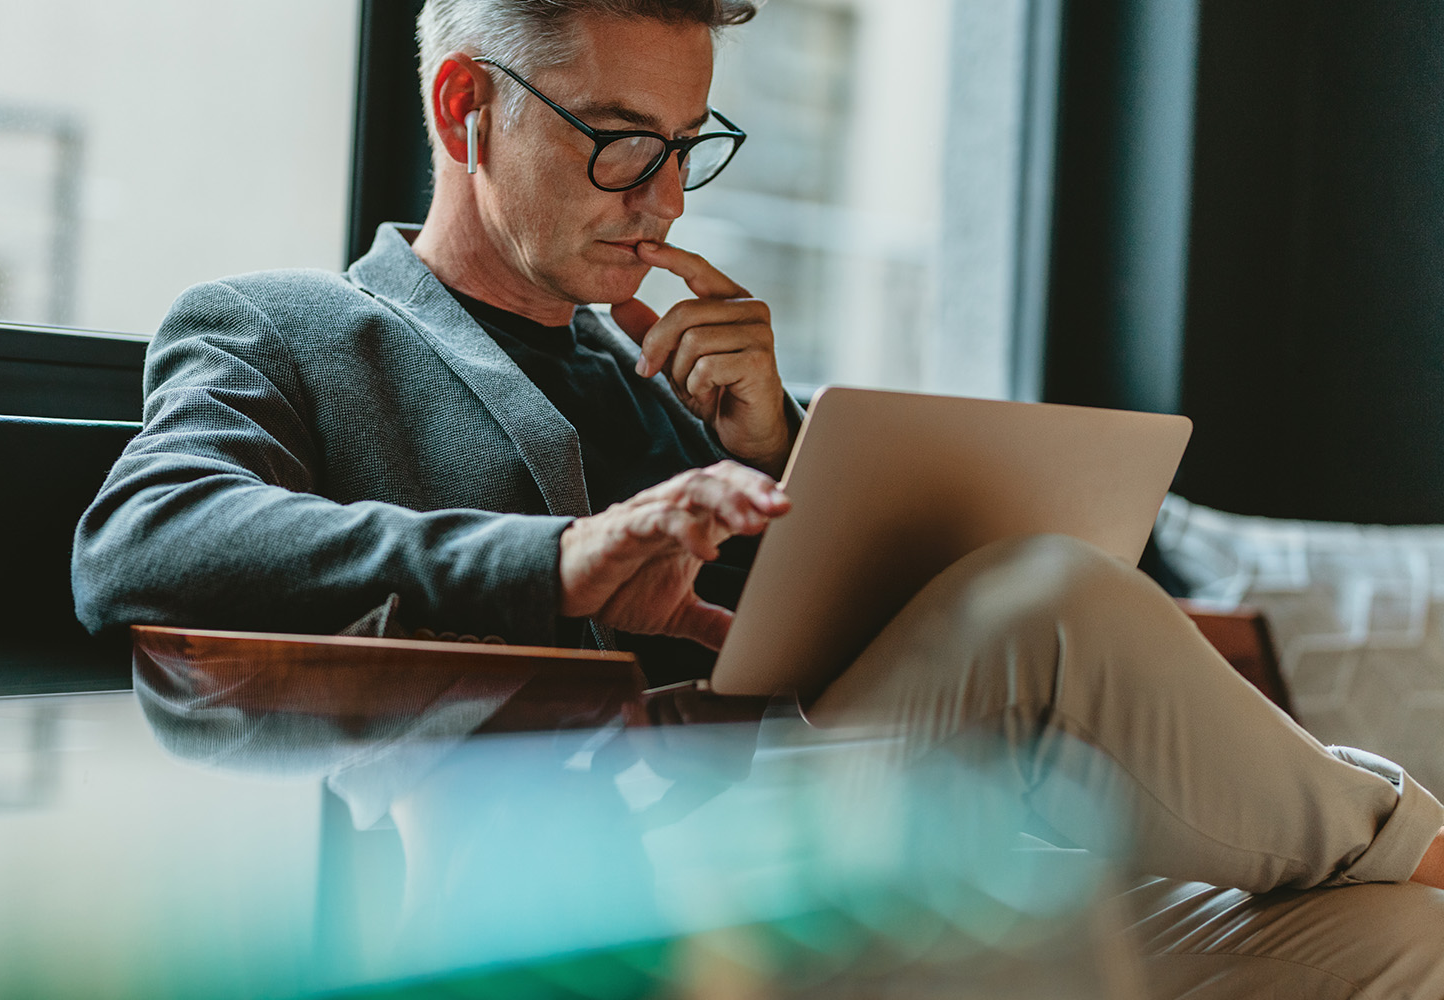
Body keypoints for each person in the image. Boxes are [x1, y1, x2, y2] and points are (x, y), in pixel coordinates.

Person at [72, 0, 1444, 993]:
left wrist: (788, 445)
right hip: (602, 881)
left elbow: (849, 652)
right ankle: (1417, 835)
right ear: (463, 109)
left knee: (1399, 947)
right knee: (1049, 604)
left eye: (688, 143)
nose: (662, 199)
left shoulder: (681, 382)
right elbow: (144, 540)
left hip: (869, 850)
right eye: (617, 141)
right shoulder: (286, 327)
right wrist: (558, 561)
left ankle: (1405, 869)